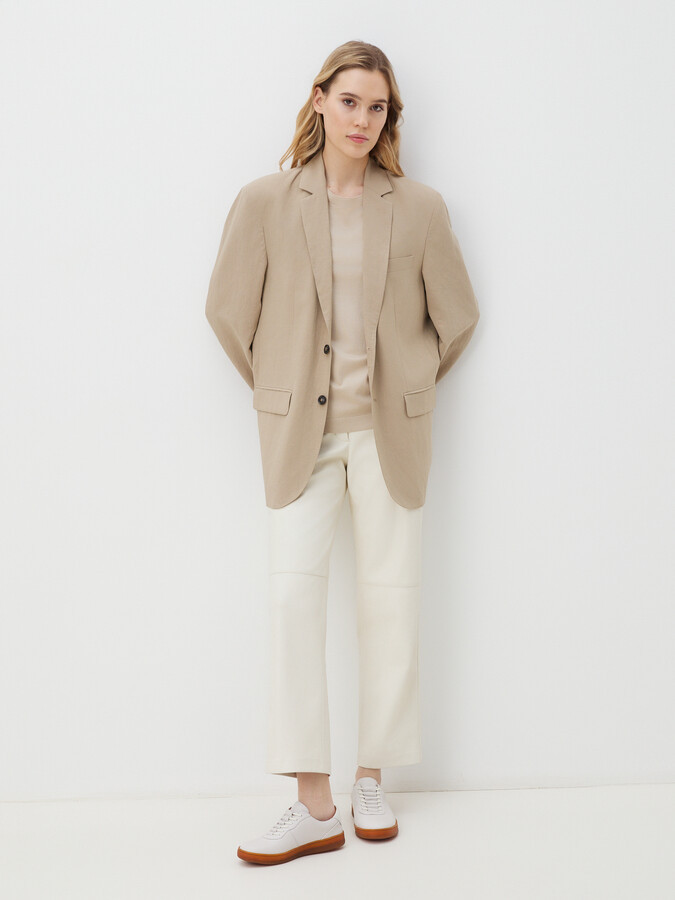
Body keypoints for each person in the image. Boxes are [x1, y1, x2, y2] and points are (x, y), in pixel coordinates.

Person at [205, 40, 480, 865]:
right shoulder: (265, 201)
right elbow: (226, 312)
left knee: (390, 602)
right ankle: (313, 802)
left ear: (389, 118)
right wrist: (280, 388)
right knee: (293, 602)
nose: (363, 119)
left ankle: (370, 778)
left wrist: (408, 385)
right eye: (350, 100)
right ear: (319, 99)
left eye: (378, 106)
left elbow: (457, 317)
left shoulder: (419, 208)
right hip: (303, 436)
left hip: (390, 433)